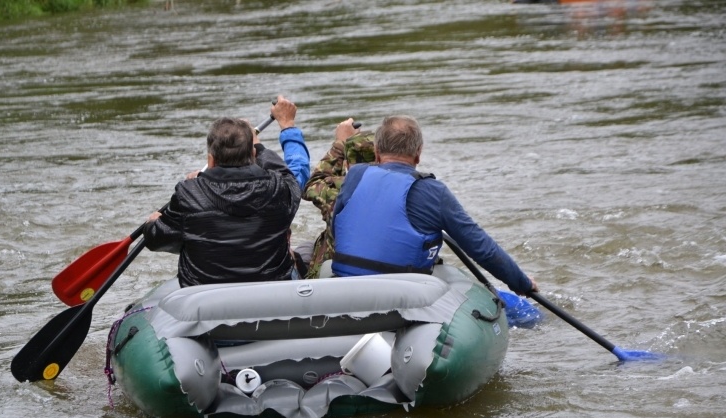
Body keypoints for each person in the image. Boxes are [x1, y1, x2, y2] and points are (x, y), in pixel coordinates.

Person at [331, 115, 538, 295]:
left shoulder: (355, 176)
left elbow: (336, 227)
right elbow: (481, 247)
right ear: (418, 154)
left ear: (376, 152)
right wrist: (521, 283)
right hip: (399, 294)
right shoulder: (433, 191)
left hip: (345, 287)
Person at [143, 96, 308, 287]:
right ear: (253, 155)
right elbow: (295, 172)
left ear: (211, 161)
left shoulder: (188, 194)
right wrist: (273, 135)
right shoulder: (278, 189)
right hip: (270, 294)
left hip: (205, 299)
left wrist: (152, 224)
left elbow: (157, 240)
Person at [301, 118, 374, 279]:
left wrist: (340, 143)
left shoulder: (336, 191)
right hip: (376, 270)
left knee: (304, 250)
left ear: (346, 164)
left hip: (334, 274)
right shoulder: (394, 190)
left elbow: (313, 183)